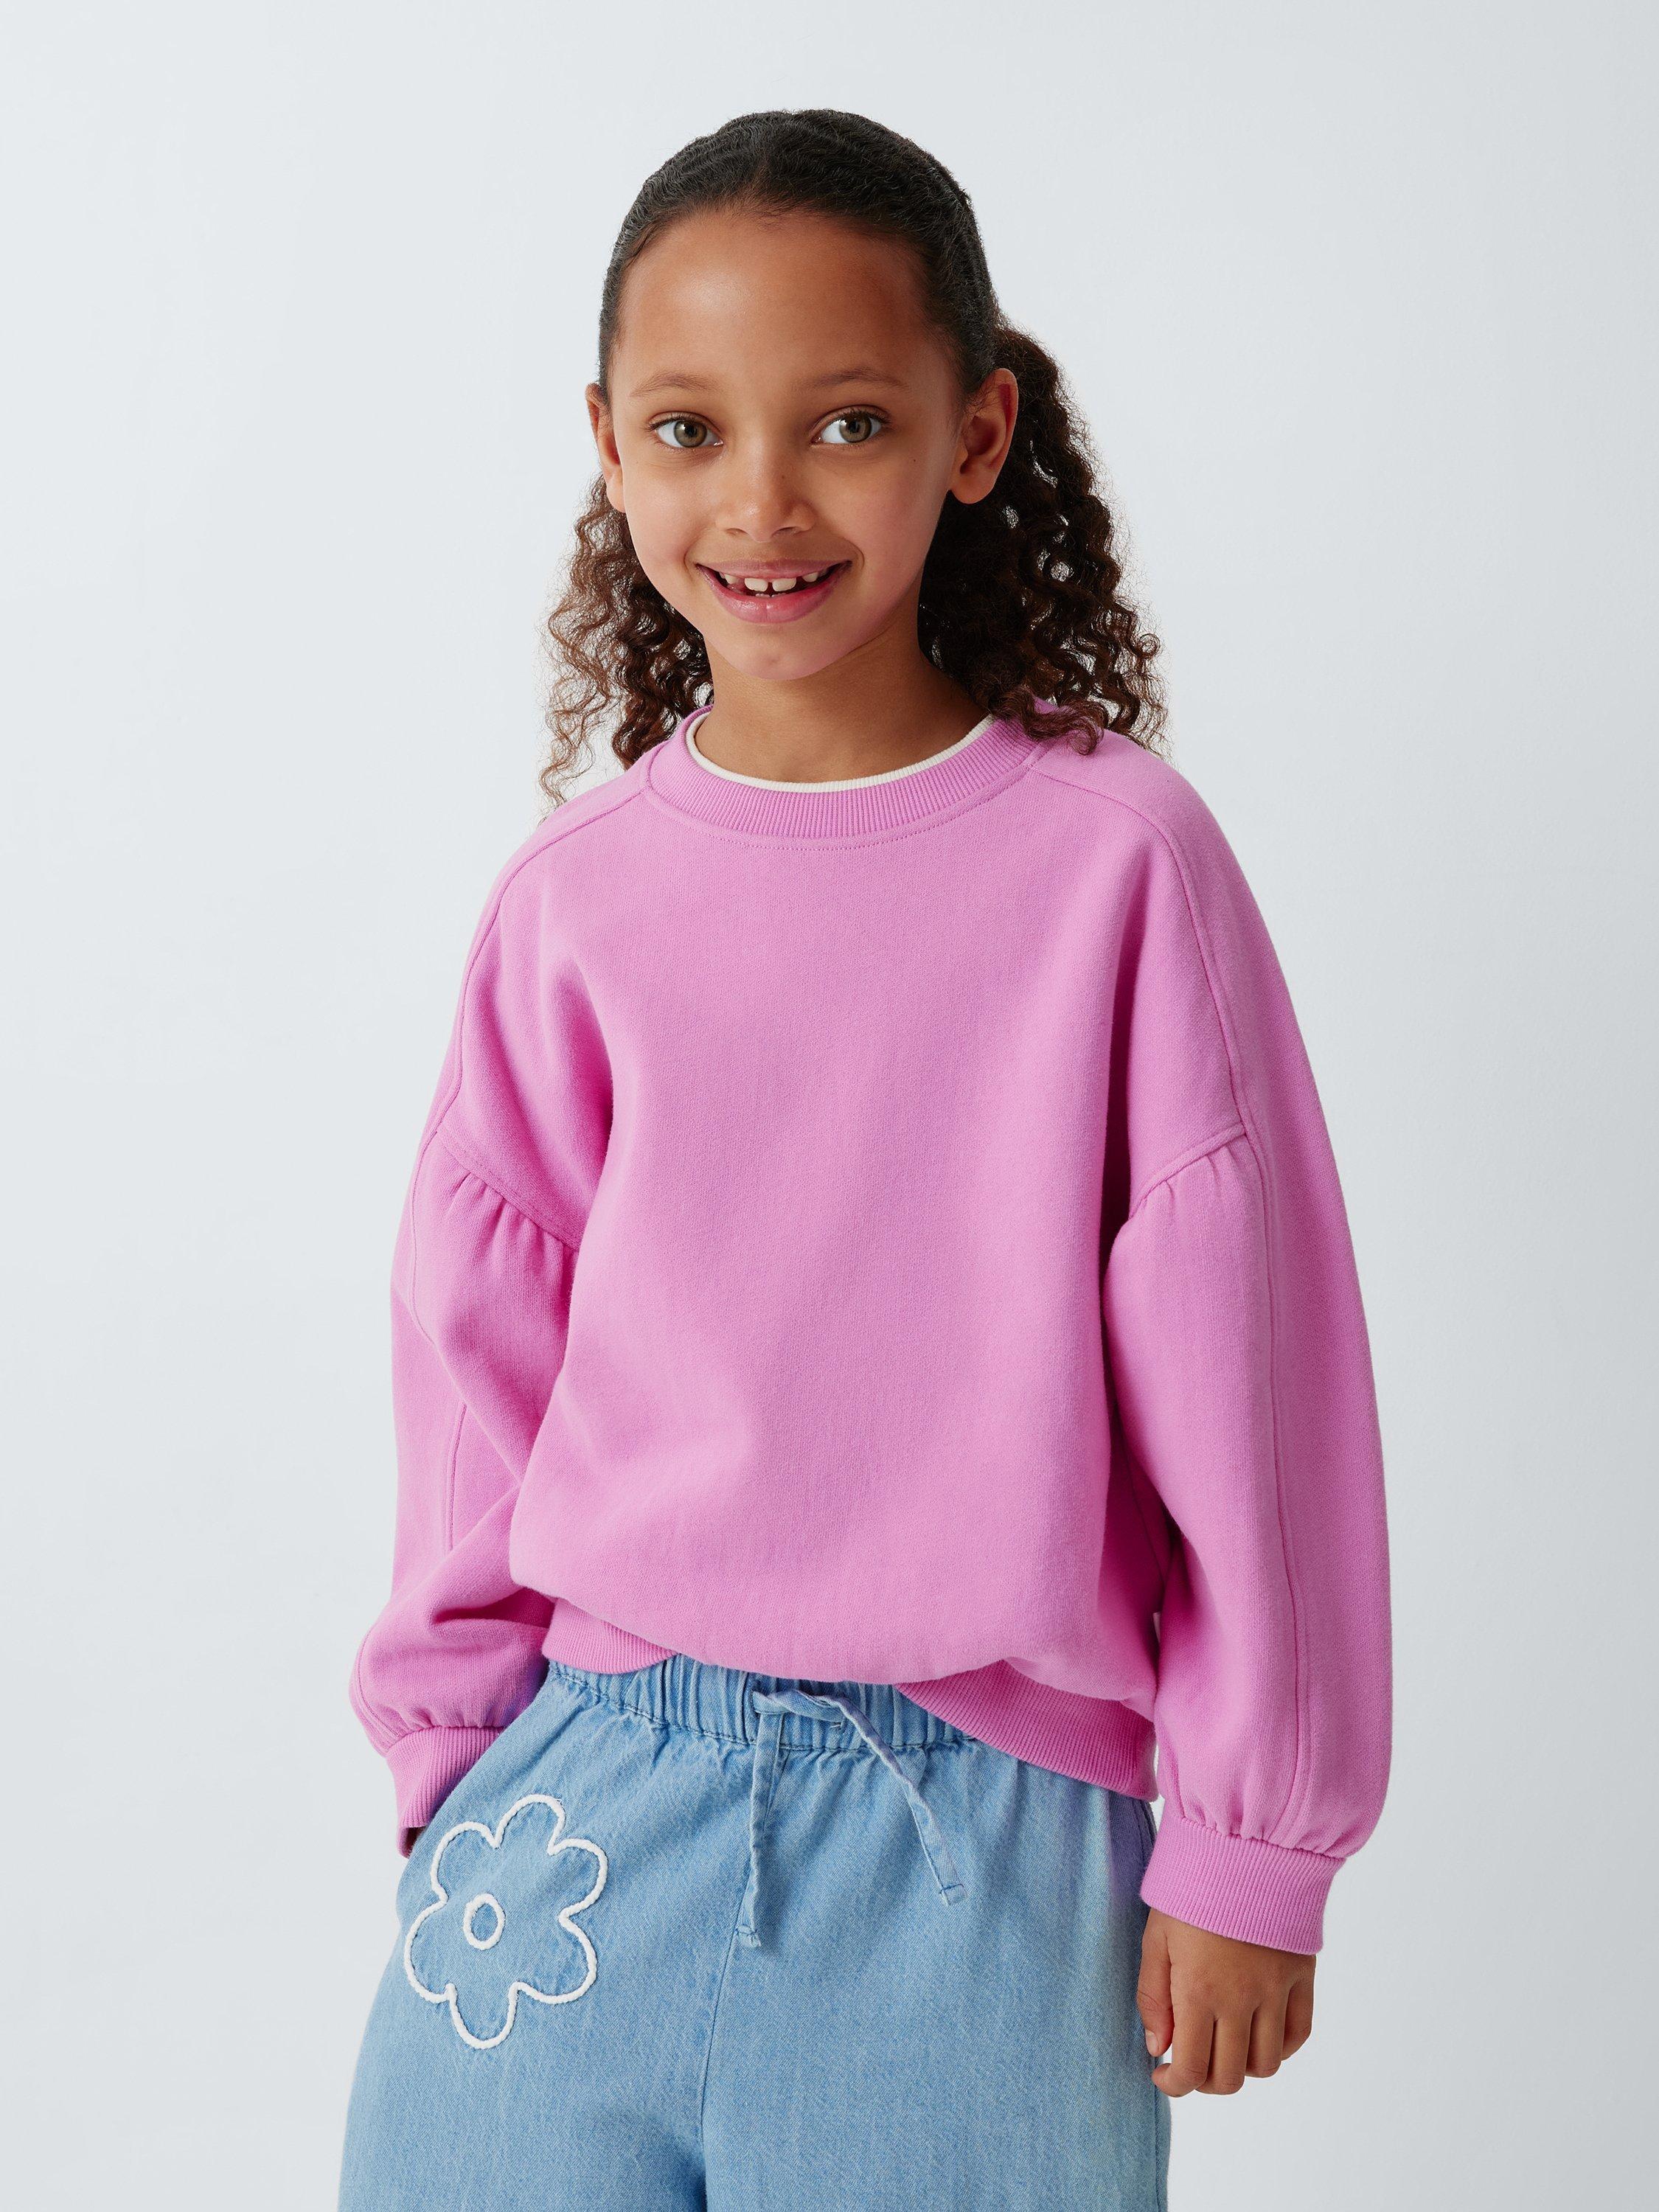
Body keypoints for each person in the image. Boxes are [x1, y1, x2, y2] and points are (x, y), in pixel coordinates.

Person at [337, 107, 1391, 2212]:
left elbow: (1250, 1381)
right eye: (688, 428)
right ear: (608, 447)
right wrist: (450, 1766)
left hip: (987, 1847)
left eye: (844, 421)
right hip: (579, 1808)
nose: (761, 498)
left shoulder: (1116, 867)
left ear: (975, 433)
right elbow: (477, 1358)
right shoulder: (574, 901)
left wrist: (1251, 1846)